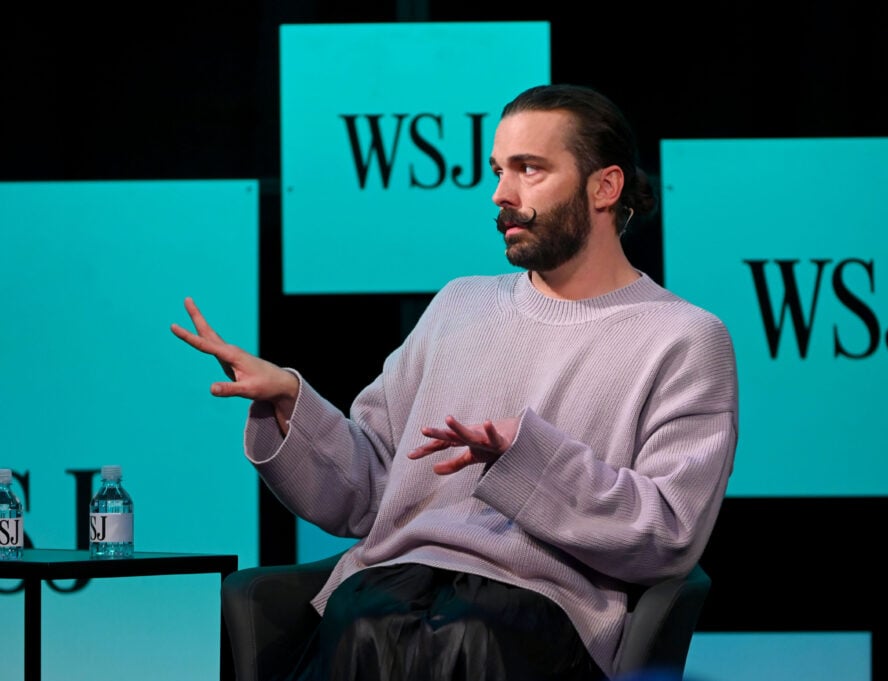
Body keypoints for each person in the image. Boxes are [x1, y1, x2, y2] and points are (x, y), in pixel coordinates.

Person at [171, 83, 738, 681]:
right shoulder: (459, 305)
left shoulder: (683, 337)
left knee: (466, 640)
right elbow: (366, 495)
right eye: (499, 170)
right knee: (366, 624)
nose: (501, 195)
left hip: (536, 611)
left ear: (606, 186)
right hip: (387, 596)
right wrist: (291, 403)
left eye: (530, 170)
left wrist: (526, 460)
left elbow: (668, 533)